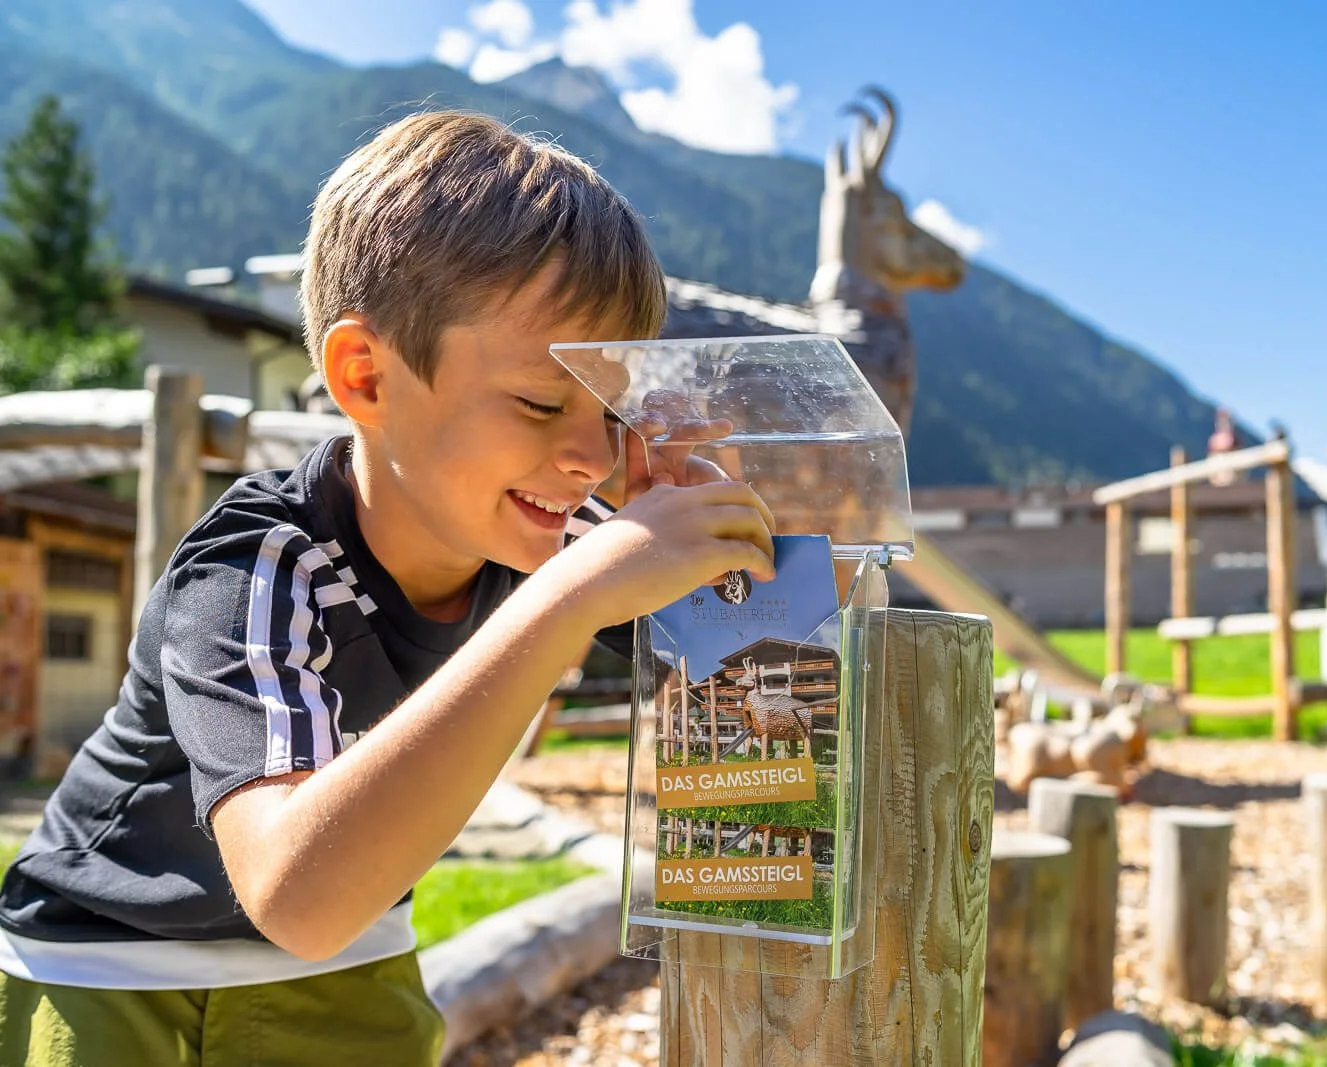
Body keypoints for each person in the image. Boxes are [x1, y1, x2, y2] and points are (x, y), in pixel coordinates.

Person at [0, 110, 776, 1066]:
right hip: (115, 971)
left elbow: (762, 677)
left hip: (350, 957)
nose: (589, 459)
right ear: (365, 376)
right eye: (542, 402)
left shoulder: (545, 538)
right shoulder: (254, 569)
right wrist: (568, 601)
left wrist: (717, 561)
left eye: (614, 412)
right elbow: (295, 891)